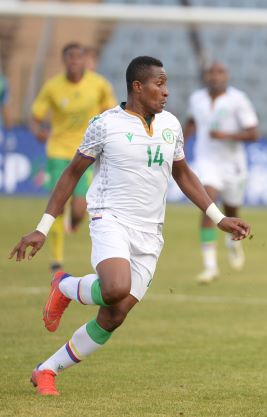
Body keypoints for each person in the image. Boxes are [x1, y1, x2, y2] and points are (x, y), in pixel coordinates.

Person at [9, 56, 251, 396]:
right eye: (159, 84)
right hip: (111, 218)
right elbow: (72, 174)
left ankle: (46, 369)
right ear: (137, 86)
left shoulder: (170, 124)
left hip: (151, 232)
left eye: (166, 84)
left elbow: (182, 174)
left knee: (114, 315)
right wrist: (43, 227)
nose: (166, 92)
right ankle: (64, 287)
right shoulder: (105, 124)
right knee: (114, 287)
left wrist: (219, 218)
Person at [30, 42, 117, 272]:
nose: (75, 61)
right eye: (70, 57)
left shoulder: (99, 85)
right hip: (58, 151)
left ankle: (74, 222)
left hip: (87, 151)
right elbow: (36, 114)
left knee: (79, 210)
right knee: (58, 204)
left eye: (79, 57)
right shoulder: (52, 87)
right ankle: (56, 259)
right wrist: (37, 130)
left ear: (84, 60)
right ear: (64, 60)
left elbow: (112, 112)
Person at [184, 61, 259, 283]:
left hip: (233, 165)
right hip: (207, 162)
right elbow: (190, 122)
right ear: (206, 76)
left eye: (220, 73)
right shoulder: (196, 99)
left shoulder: (238, 100)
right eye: (211, 73)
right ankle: (210, 266)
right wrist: (180, 146)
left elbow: (253, 133)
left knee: (231, 209)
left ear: (226, 76)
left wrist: (225, 136)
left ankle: (232, 241)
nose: (215, 77)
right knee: (208, 205)